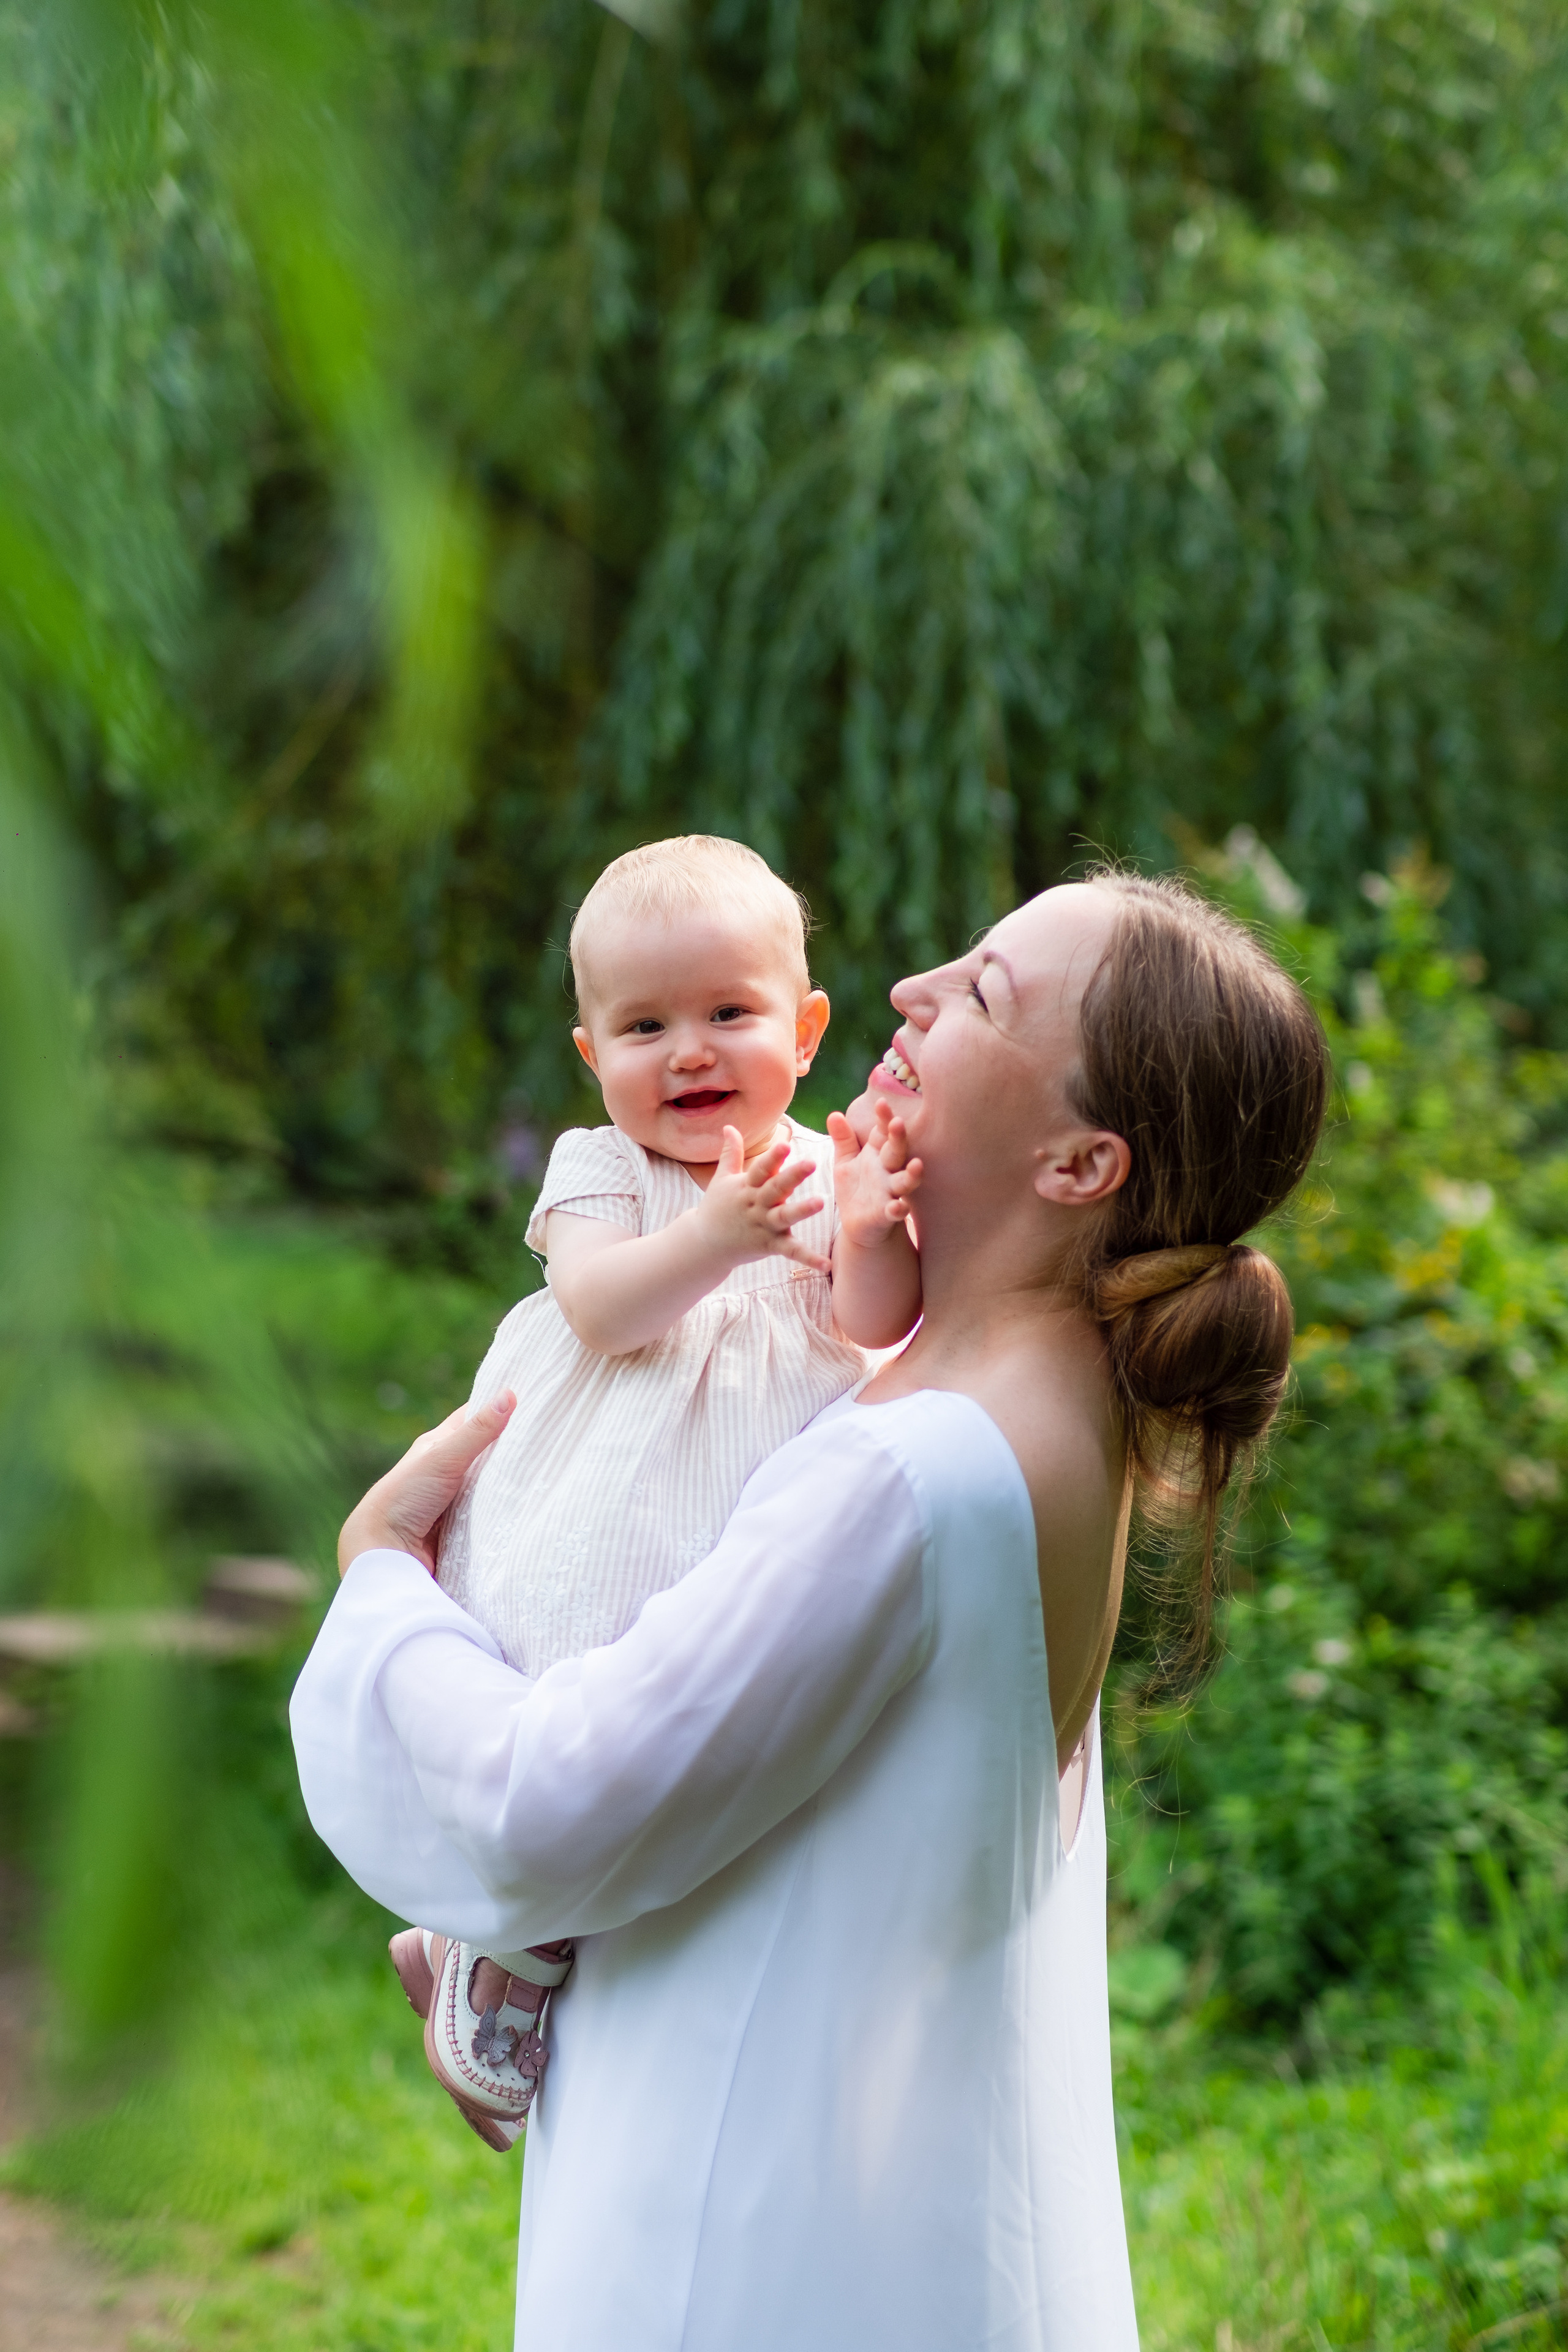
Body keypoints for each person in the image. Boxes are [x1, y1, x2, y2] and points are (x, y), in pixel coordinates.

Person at [292, 870, 1329, 2352]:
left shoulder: (907, 1470)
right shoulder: (1057, 1409)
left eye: (981, 991)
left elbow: (547, 1802)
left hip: (747, 2244)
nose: (911, 988)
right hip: (874, 2211)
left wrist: (384, 1582)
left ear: (1081, 1164)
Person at [388, 834, 927, 2146]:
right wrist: (715, 1234)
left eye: (727, 1014)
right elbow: (605, 1311)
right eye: (643, 1026)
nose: (687, 1052)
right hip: (612, 1500)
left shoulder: (817, 1161)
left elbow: (875, 1325)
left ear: (803, 1031)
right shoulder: (600, 1168)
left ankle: (497, 1933)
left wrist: (863, 1230)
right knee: (589, 1700)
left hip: (746, 1512)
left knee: (706, 1723)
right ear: (589, 1052)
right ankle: (498, 1942)